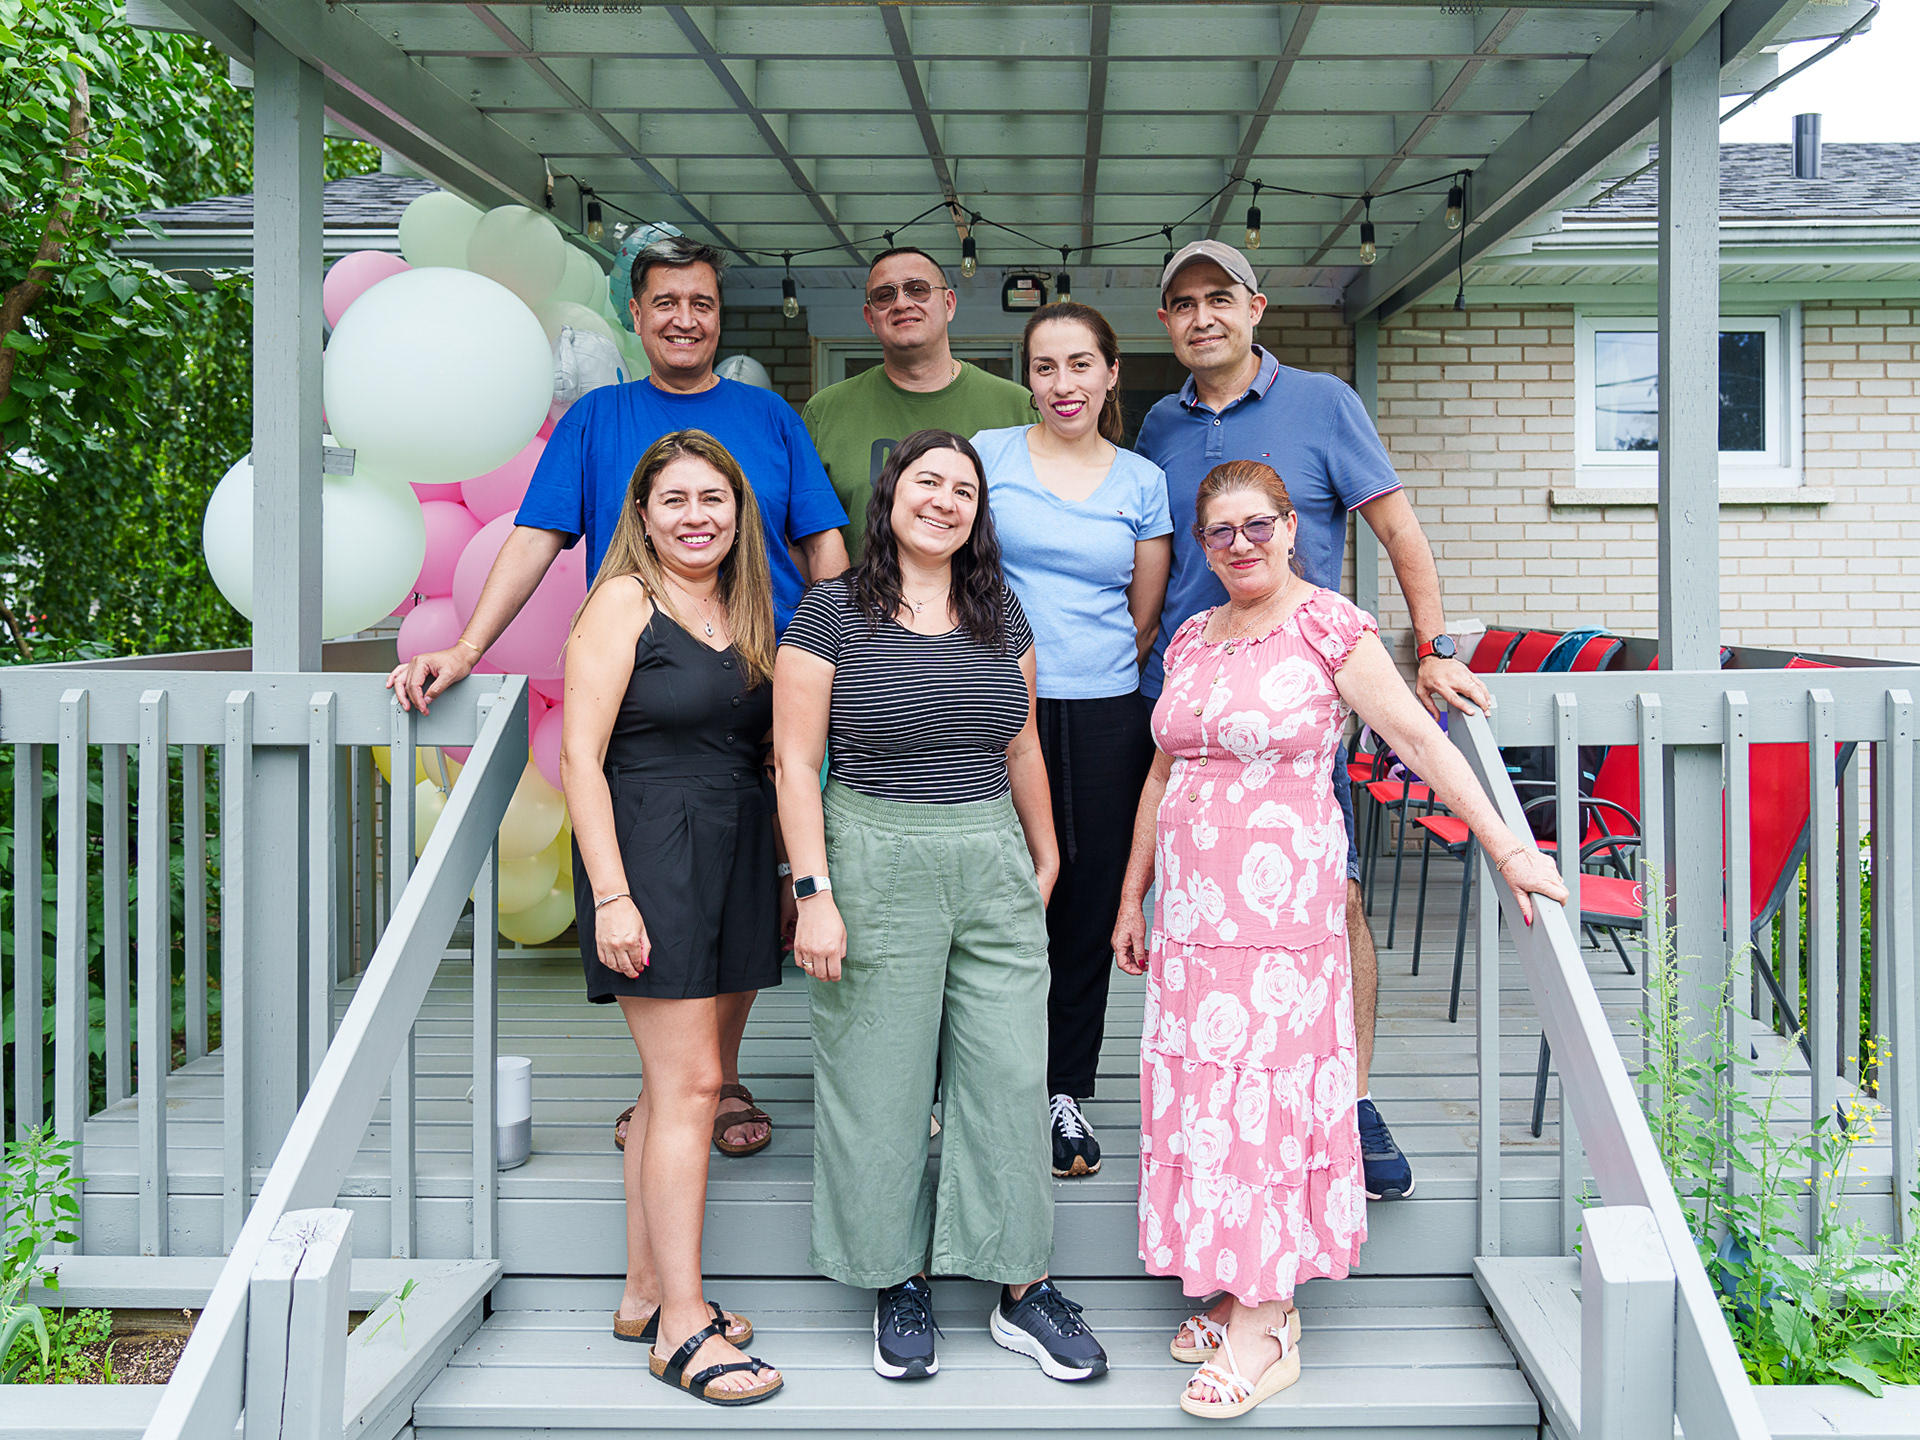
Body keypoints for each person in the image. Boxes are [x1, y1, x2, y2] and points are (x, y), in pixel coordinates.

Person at [1110, 461, 1565, 1419]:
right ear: (1203, 546)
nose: (1241, 544)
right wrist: (1131, 897)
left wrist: (1509, 847)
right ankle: (1235, 1281)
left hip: (1280, 919)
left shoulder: (1331, 627)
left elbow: (1421, 742)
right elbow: (1160, 774)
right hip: (1194, 918)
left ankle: (1267, 1322)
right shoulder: (1191, 637)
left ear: (1291, 528)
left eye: (1258, 525)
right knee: (1210, 1094)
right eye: (1221, 531)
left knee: (1266, 1099)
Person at [391, 234, 850, 1159]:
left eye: (702, 303)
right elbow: (535, 536)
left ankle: (716, 1077)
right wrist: (469, 645)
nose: (685, 319)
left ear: (719, 316)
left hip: (767, 686)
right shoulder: (598, 419)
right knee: (653, 888)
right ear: (636, 316)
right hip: (653, 687)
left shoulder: (770, 418)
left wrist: (838, 669)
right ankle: (673, 1084)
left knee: (747, 890)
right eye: (666, 303)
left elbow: (825, 553)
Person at [1137, 238, 1495, 1207]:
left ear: (1255, 308)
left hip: (1292, 708)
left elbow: (1398, 528)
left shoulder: (1324, 402)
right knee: (1202, 923)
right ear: (1167, 323)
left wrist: (1434, 645)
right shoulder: (1158, 425)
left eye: (1220, 297)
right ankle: (1228, 1106)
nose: (1203, 316)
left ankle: (1351, 1100)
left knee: (1332, 904)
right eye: (1184, 303)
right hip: (1186, 705)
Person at [773, 429, 1109, 1385]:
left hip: (991, 854)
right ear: (892, 495)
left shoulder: (1001, 607)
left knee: (1010, 1072)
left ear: (978, 514)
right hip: (873, 853)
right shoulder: (831, 610)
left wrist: (1046, 853)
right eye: (929, 482)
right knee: (879, 1078)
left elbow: (1022, 743)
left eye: (965, 489)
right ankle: (897, 1277)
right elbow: (794, 761)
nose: (946, 501)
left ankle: (1022, 1285)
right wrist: (813, 892)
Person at [560, 430, 792, 1407]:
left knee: (669, 1090)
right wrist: (612, 895)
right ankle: (683, 1329)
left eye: (714, 499)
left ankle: (643, 1292)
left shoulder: (744, 605)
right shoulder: (623, 601)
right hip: (651, 854)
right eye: (676, 500)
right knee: (695, 1084)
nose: (697, 517)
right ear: (643, 516)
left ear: (738, 513)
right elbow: (578, 759)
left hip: (735, 852)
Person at [972, 301, 1171, 1180]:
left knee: (1084, 907)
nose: (1063, 384)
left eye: (1080, 364)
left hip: (1102, 713)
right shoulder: (988, 455)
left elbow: (1142, 615)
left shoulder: (1141, 481)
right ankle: (974, 1080)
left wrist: (1087, 671)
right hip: (994, 705)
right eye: (1045, 366)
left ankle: (1063, 1089)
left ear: (1111, 372)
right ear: (1028, 376)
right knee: (993, 895)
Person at [801, 246, 1033, 561]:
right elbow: (806, 539)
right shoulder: (825, 412)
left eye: (918, 289)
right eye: (884, 295)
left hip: (987, 593)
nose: (901, 303)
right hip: (860, 594)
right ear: (870, 318)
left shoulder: (1019, 408)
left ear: (949, 304)